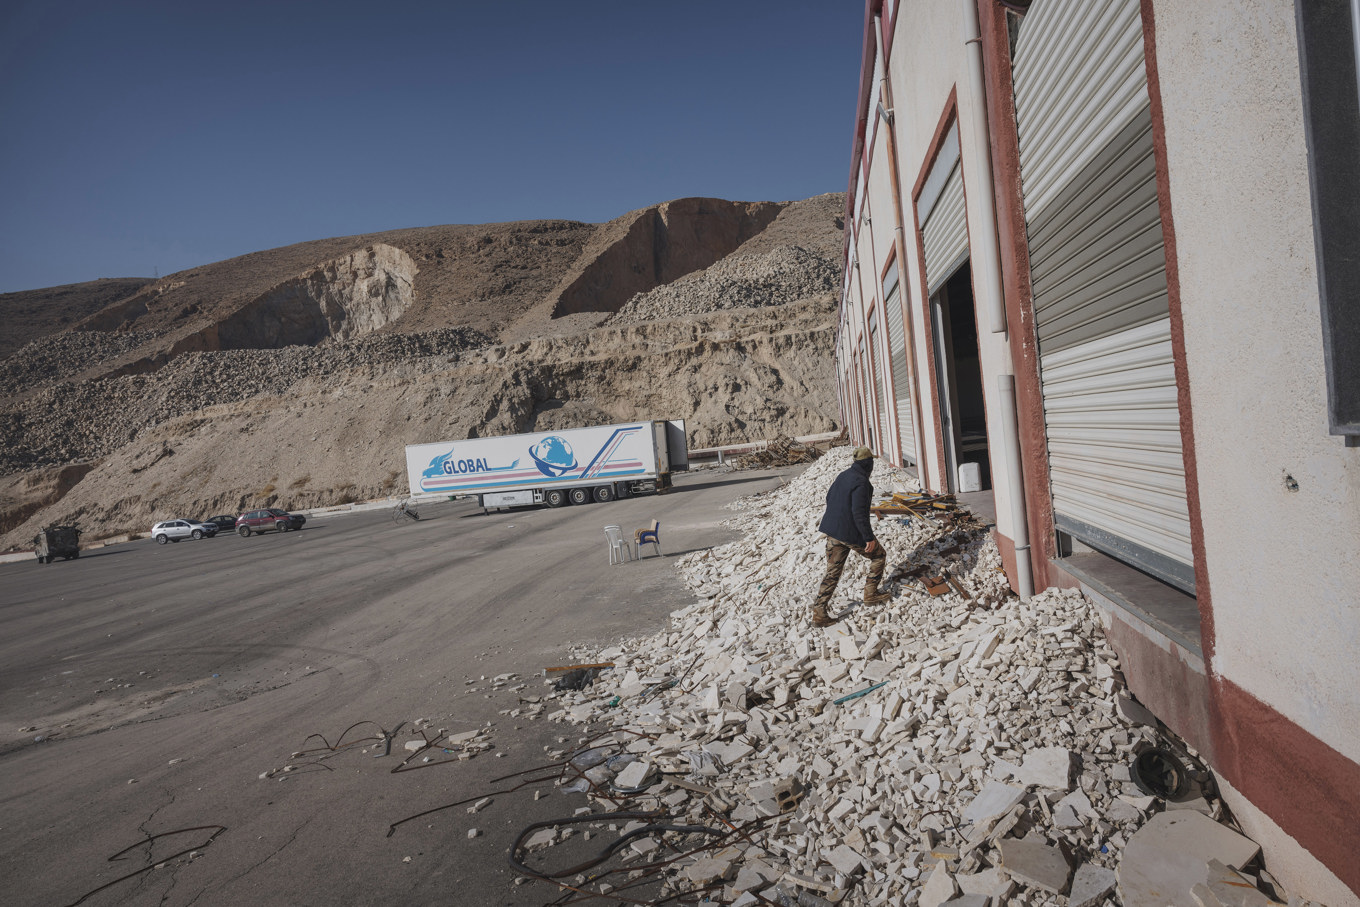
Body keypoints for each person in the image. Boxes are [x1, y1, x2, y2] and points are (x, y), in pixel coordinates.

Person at [810, 446, 890, 627]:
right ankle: (870, 594)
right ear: (868, 464)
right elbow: (859, 513)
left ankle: (819, 612)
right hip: (849, 533)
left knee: (832, 572)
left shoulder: (843, 475)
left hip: (832, 531)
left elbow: (829, 497)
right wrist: (868, 538)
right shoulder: (862, 483)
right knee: (879, 556)